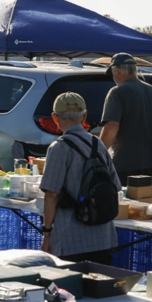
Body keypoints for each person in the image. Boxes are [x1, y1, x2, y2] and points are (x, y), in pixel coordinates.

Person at [40, 92, 119, 264]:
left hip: (71, 239)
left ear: (55, 118)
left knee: (70, 289)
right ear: (84, 116)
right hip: (103, 236)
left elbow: (51, 194)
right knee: (98, 289)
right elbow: (116, 186)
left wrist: (47, 233)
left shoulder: (59, 148)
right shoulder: (99, 144)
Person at [99, 53, 152, 187]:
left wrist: (98, 155)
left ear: (117, 70)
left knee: (125, 205)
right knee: (144, 203)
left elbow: (111, 128)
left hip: (125, 163)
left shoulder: (117, 92)